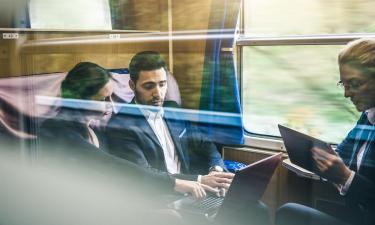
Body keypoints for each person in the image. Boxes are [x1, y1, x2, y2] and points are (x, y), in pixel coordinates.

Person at [37, 61, 217, 201]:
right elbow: (115, 167)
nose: (111, 105)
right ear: (79, 99)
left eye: (110, 97)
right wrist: (179, 183)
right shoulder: (55, 130)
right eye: (103, 99)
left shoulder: (95, 130)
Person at [106, 51, 234, 197]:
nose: (158, 93)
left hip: (195, 190)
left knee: (256, 207)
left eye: (162, 84)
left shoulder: (173, 109)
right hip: (160, 195)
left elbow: (205, 144)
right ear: (132, 85)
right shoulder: (120, 125)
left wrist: (216, 171)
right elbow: (144, 174)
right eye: (149, 86)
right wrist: (201, 180)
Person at [276, 38, 375, 225]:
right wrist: (320, 156)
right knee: (288, 212)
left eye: (355, 83)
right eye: (343, 84)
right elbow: (342, 153)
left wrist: (345, 177)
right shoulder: (368, 116)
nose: (347, 93)